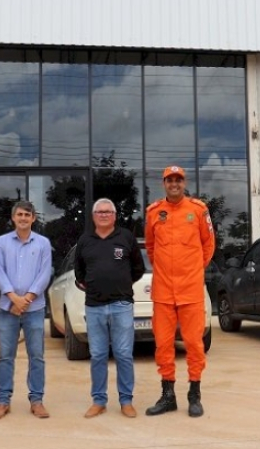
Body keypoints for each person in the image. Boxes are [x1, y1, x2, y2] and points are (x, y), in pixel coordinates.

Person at [144, 165, 215, 418]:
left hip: (190, 291)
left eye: (178, 180)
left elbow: (208, 245)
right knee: (163, 344)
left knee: (194, 344)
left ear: (184, 183)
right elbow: (151, 248)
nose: (174, 184)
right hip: (163, 292)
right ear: (163, 183)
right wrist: (165, 270)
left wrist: (193, 270)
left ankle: (194, 394)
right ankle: (168, 395)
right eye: (169, 180)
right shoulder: (153, 212)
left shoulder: (198, 210)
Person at [74, 198, 146, 419]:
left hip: (121, 304)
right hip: (94, 306)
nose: (104, 214)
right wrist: (96, 286)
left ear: (115, 215)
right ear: (94, 216)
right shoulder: (85, 240)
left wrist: (120, 285)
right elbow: (79, 273)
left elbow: (138, 269)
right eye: (99, 211)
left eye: (108, 211)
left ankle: (126, 401)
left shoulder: (126, 237)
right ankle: (99, 401)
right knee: (97, 355)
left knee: (124, 354)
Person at [0, 201, 53, 420]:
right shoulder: (2, 242)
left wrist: (27, 298)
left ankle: (36, 400)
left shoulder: (43, 243)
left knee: (36, 356)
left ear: (33, 218)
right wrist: (14, 298)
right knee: (6, 356)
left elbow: (45, 273)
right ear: (13, 217)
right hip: (7, 307)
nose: (23, 218)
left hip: (34, 308)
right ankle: (2, 401)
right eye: (20, 214)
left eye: (27, 214)